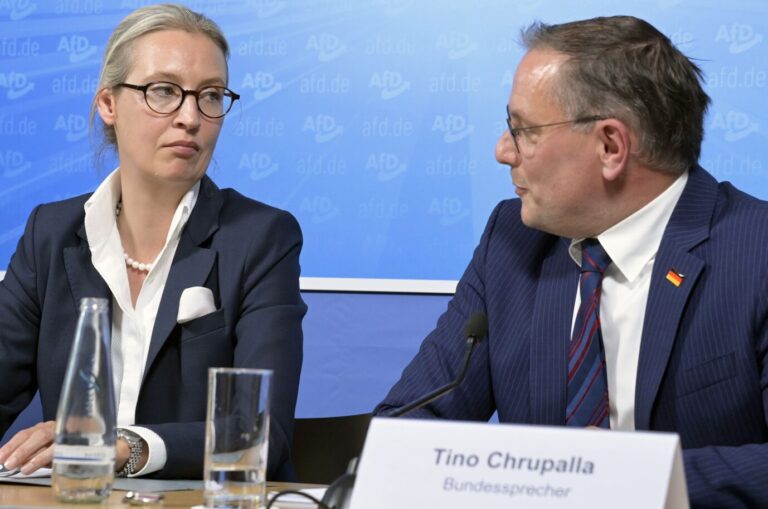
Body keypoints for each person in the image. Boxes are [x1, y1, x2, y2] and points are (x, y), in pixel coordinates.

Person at [375, 15, 768, 508]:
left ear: (610, 146)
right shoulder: (513, 240)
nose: (502, 151)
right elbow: (407, 430)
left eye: (522, 130)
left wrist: (616, 481)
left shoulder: (756, 253)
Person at [0, 4, 305, 480]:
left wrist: (124, 446)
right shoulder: (50, 232)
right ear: (108, 104)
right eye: (163, 91)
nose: (190, 117)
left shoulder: (261, 238)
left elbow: (260, 435)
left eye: (211, 95)